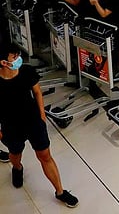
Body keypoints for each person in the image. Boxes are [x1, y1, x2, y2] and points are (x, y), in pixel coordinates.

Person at [0, 43, 78, 207]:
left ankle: (60, 191)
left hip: (33, 122)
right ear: (3, 62)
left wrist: (42, 115)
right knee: (15, 154)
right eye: (14, 57)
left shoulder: (27, 71)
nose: (18, 59)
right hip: (11, 126)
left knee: (45, 156)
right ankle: (17, 168)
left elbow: (37, 92)